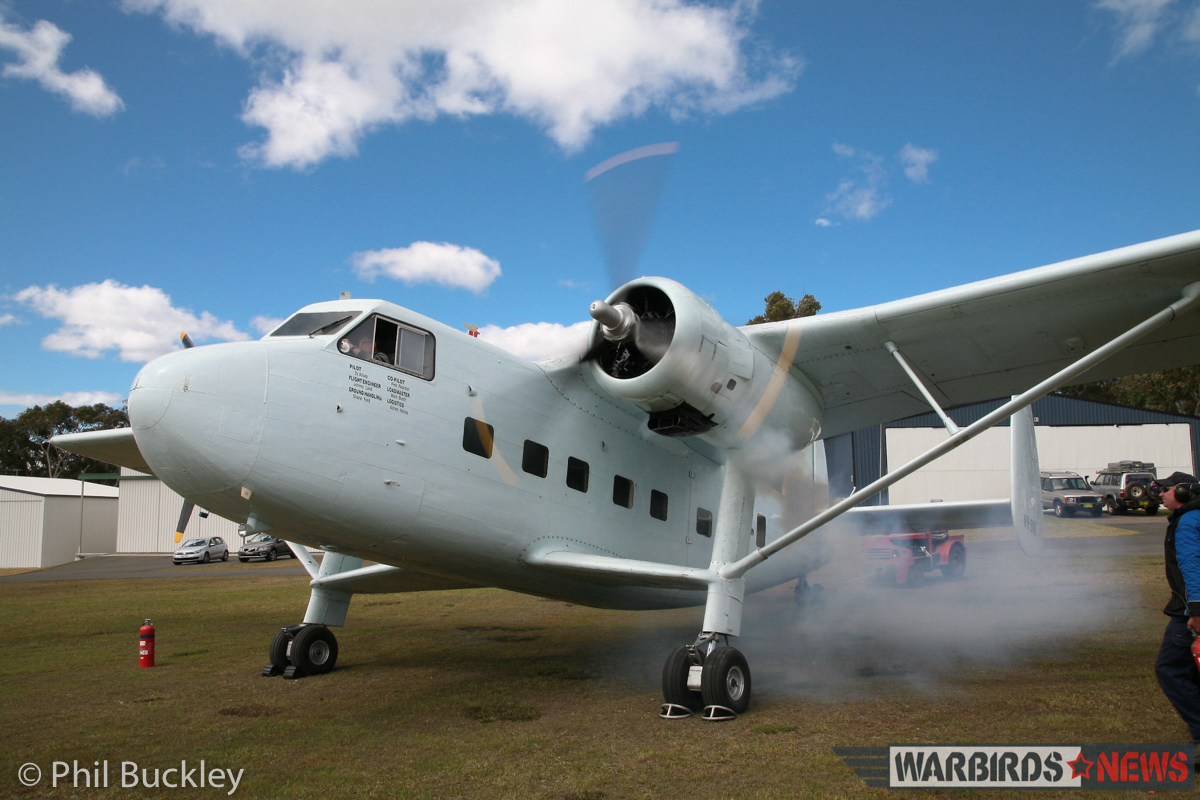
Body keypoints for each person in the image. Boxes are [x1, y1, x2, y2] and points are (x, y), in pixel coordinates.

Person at [1152, 471, 1200, 753]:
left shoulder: (1187, 522)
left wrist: (1195, 610)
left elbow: (1191, 568)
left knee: (1169, 669)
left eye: (1165, 490)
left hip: (1190, 611)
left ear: (1183, 493)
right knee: (1192, 672)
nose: (1160, 494)